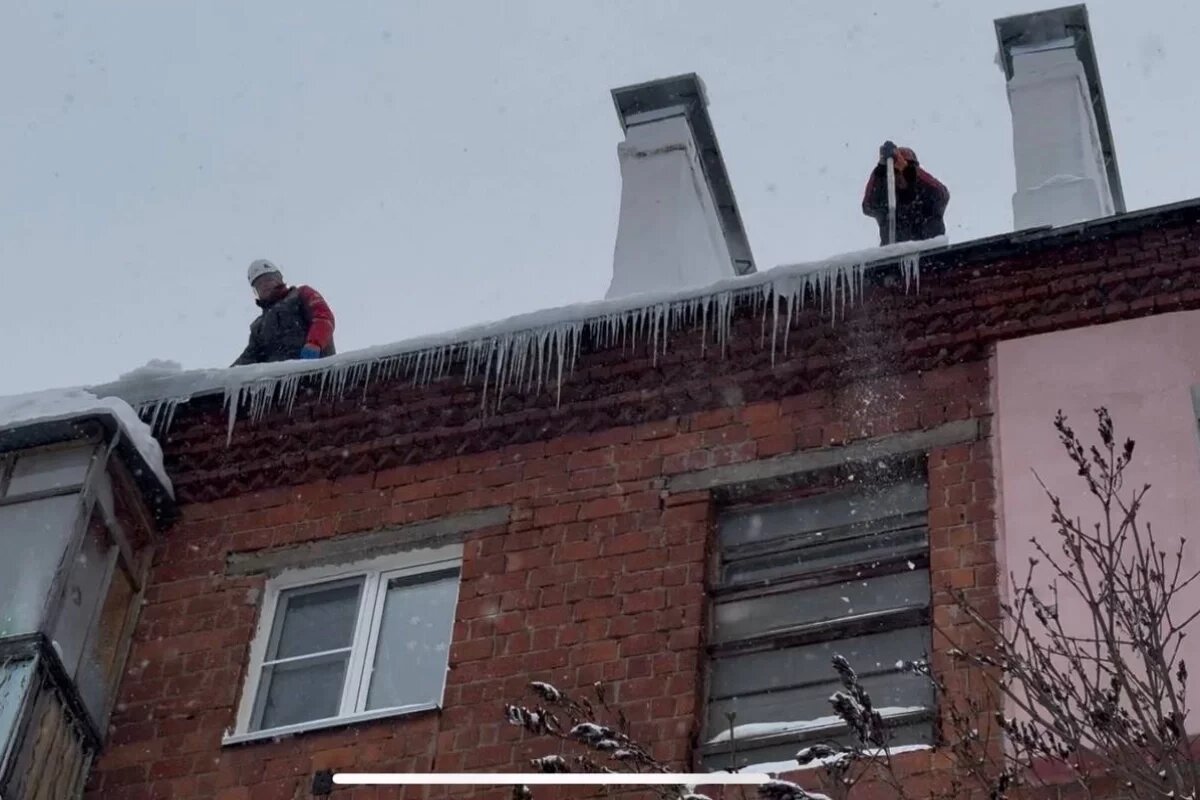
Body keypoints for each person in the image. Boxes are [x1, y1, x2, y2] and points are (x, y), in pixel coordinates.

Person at [231, 259, 336, 366]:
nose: (264, 285)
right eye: (259, 284)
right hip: (281, 377)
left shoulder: (301, 294)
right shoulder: (258, 327)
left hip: (317, 369)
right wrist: (223, 377)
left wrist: (314, 343)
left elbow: (323, 317)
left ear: (279, 279)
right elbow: (249, 357)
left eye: (268, 279)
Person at [861, 141, 950, 245]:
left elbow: (942, 193)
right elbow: (868, 205)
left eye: (903, 170)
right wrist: (881, 169)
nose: (900, 176)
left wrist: (908, 169)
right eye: (895, 172)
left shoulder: (929, 199)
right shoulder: (888, 203)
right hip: (894, 257)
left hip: (931, 256)